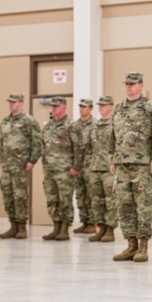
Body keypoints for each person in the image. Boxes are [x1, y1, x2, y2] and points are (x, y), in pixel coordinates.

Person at [112, 72, 152, 263]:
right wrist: (113, 159)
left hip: (143, 165)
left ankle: (143, 247)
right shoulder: (118, 108)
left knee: (143, 205)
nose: (129, 86)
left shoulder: (150, 108)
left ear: (141, 85)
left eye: (133, 84)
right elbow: (113, 136)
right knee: (124, 205)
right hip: (121, 165)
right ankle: (130, 245)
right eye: (126, 83)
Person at [0, 93, 42, 240]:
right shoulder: (4, 121)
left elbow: (37, 142)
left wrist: (32, 160)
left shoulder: (29, 121)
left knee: (20, 196)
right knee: (8, 196)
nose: (11, 105)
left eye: (14, 102)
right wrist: (2, 160)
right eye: (10, 102)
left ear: (21, 104)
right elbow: (2, 144)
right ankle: (13, 226)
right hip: (7, 166)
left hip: (21, 165)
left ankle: (22, 227)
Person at [39, 97, 82, 241]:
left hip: (65, 170)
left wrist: (76, 166)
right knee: (52, 199)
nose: (54, 109)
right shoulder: (48, 126)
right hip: (50, 170)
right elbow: (44, 147)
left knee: (65, 200)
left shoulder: (72, 125)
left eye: (57, 106)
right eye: (53, 106)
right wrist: (44, 165)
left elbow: (78, 147)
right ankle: (56, 226)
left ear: (64, 107)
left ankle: (64, 228)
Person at [85, 96, 117, 242]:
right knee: (96, 201)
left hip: (109, 169)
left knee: (110, 201)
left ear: (111, 106)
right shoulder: (94, 126)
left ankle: (110, 231)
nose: (101, 107)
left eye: (104, 105)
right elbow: (89, 148)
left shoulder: (116, 124)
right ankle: (101, 229)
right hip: (95, 168)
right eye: (100, 105)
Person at [70, 99, 96, 234]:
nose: (82, 109)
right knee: (80, 195)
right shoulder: (74, 126)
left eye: (84, 107)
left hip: (90, 166)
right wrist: (73, 165)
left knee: (90, 195)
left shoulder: (96, 125)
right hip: (77, 166)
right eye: (80, 107)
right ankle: (84, 221)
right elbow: (71, 147)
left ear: (91, 109)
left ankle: (92, 222)